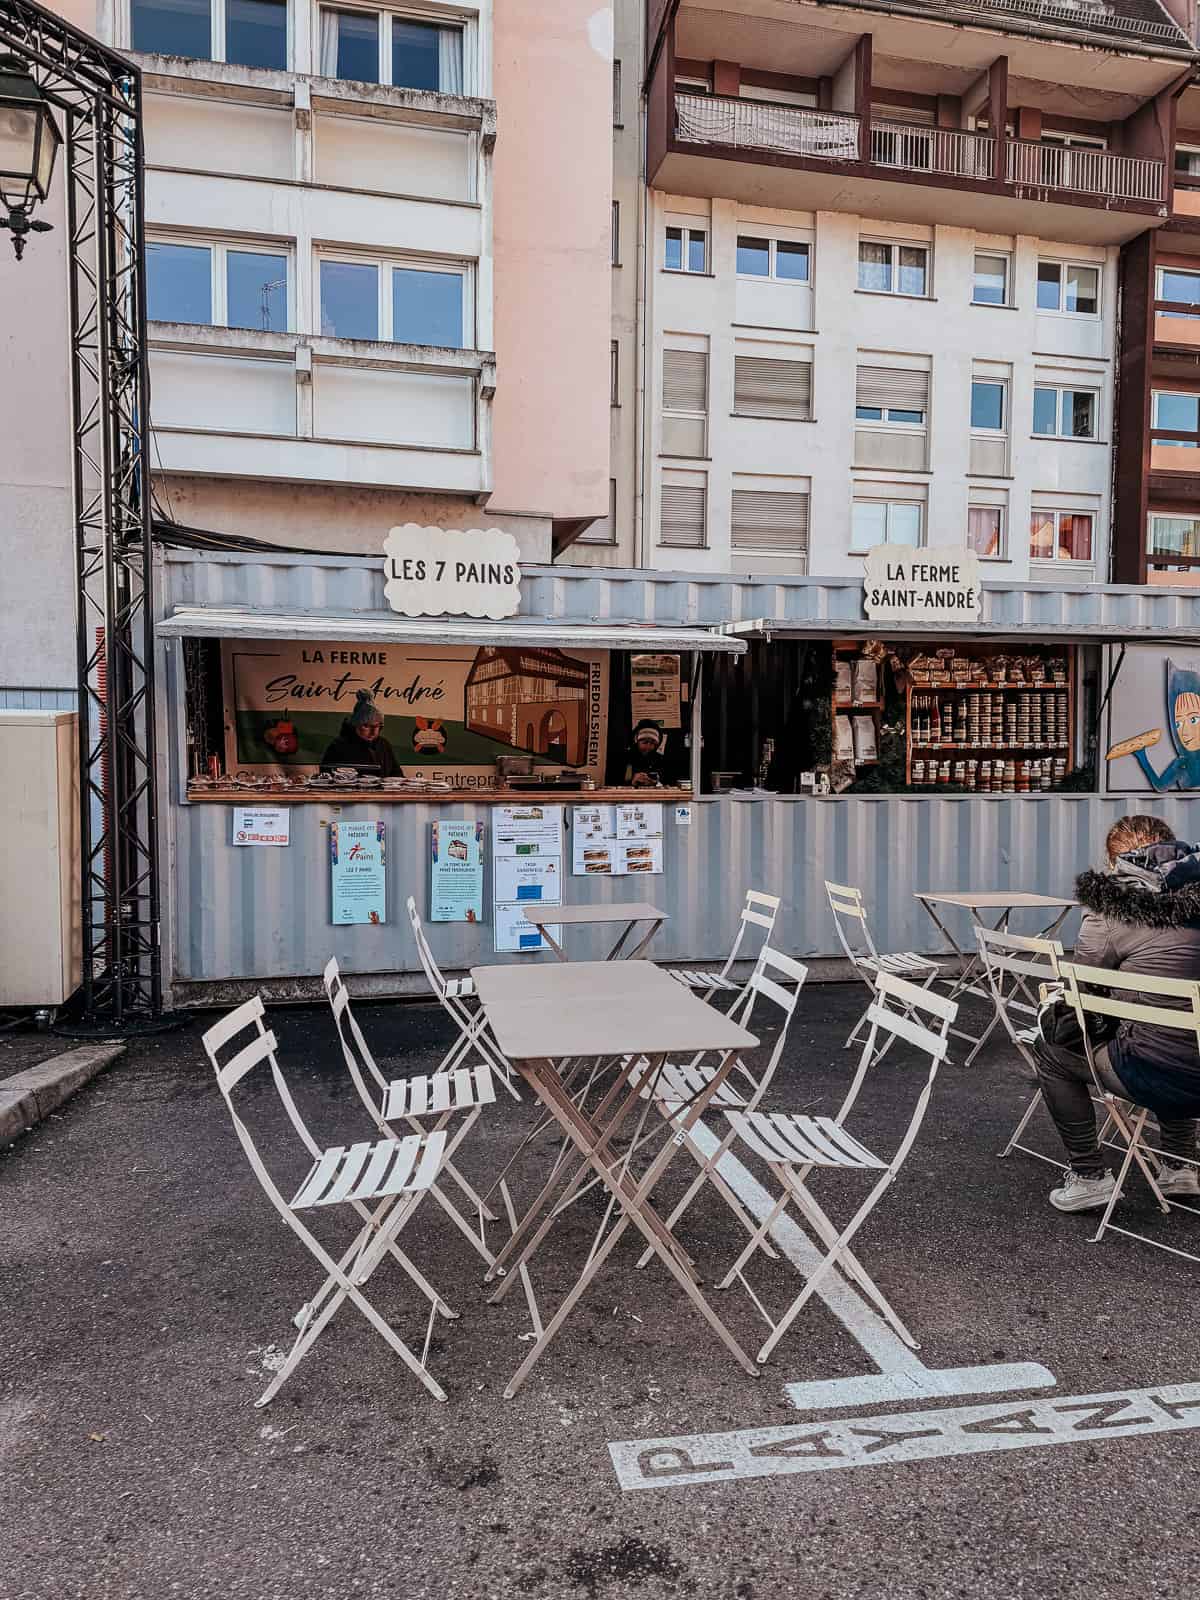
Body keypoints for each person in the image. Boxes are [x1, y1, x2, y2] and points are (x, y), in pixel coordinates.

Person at [1033, 814, 1200, 1212]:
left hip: (1155, 1074)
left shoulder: (1111, 914)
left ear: (1116, 864)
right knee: (1176, 1031)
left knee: (1053, 1052)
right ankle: (1180, 1165)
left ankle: (1090, 1176)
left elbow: (1085, 991)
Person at [319, 690, 402, 777]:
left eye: (377, 726)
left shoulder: (384, 744)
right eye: (366, 726)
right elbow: (326, 774)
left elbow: (397, 773)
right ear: (356, 725)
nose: (373, 732)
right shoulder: (338, 746)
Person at [624, 719, 669, 788]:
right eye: (645, 742)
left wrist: (657, 783)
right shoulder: (626, 758)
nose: (648, 746)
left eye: (652, 743)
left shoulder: (661, 760)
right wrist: (632, 781)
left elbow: (668, 783)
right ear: (637, 741)